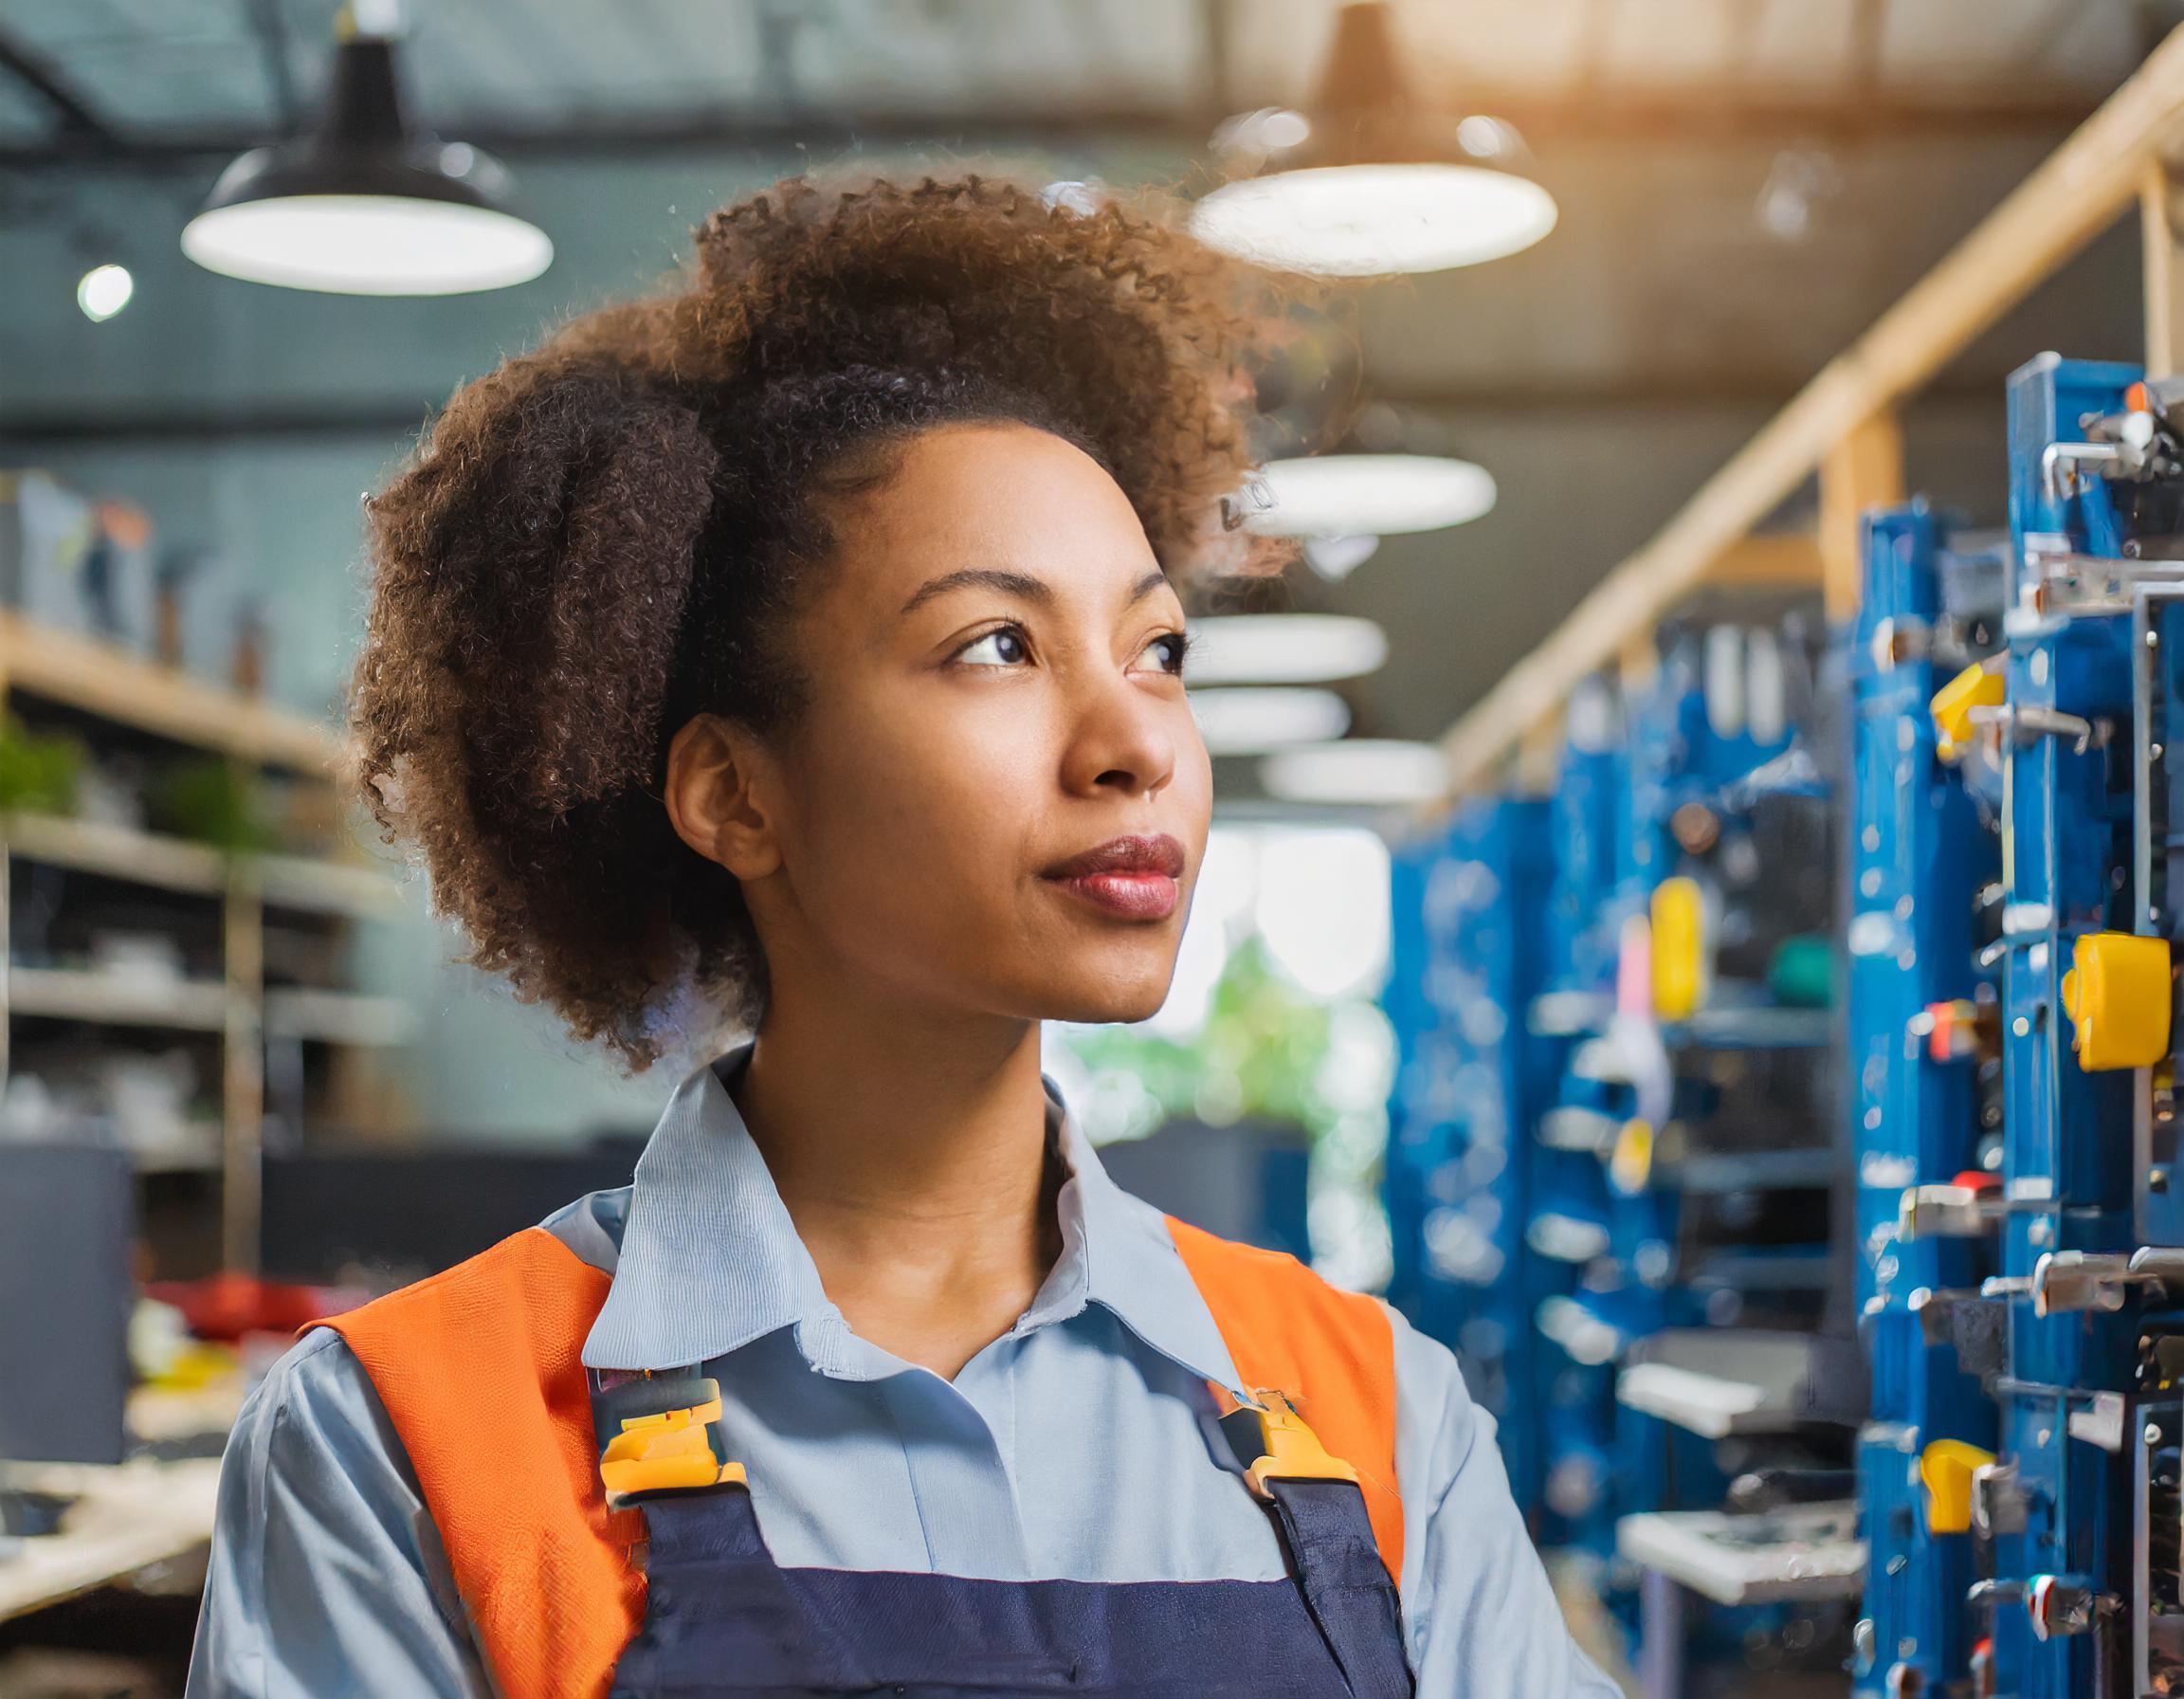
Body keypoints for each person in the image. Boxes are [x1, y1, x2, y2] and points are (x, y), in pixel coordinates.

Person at [183, 174, 1618, 1699]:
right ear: (736, 794)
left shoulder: (1382, 1414)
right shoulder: (403, 1446)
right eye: (996, 644)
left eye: (1158, 649)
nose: (1136, 742)